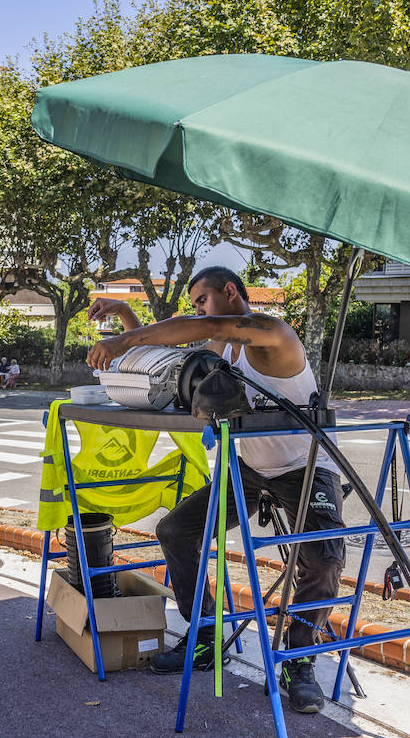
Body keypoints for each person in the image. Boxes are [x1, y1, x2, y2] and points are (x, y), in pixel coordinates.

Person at [86, 265, 344, 715]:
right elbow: (172, 356)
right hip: (248, 469)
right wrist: (129, 317)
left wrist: (122, 339)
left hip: (305, 467)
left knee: (323, 558)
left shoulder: (272, 333)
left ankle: (298, 658)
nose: (200, 312)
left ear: (229, 292)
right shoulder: (226, 347)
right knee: (177, 531)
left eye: (202, 300)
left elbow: (205, 326)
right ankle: (206, 635)